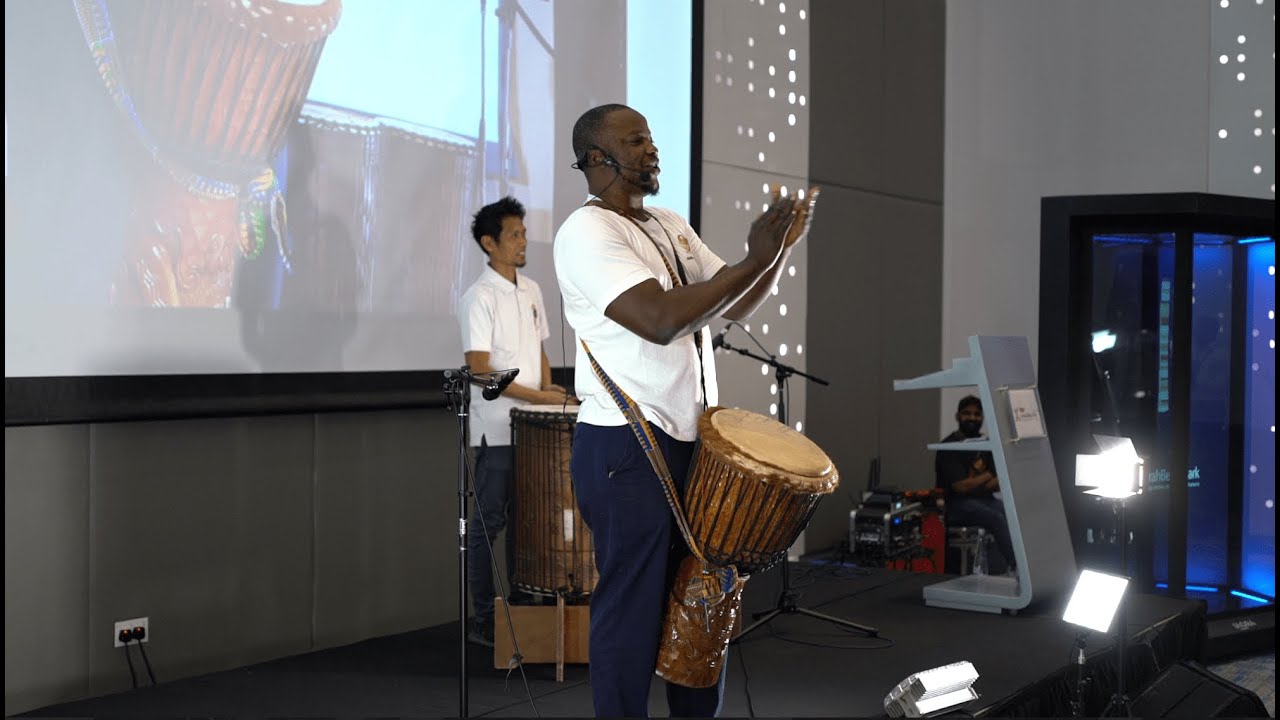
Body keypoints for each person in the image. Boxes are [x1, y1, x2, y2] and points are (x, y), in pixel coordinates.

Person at [553, 103, 818, 718]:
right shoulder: (587, 233)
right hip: (625, 444)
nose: (652, 149)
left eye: (651, 137)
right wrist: (755, 257)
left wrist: (773, 253)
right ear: (598, 158)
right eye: (636, 140)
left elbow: (736, 303)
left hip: (689, 442)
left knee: (702, 600)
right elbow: (661, 319)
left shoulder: (666, 222)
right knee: (633, 609)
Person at [457, 196, 576, 646]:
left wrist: (549, 395)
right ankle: (484, 618)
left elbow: (539, 352)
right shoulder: (477, 297)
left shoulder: (532, 290)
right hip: (497, 427)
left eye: (524, 233)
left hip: (535, 429)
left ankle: (526, 612)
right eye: (514, 235)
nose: (523, 242)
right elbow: (482, 370)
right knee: (489, 522)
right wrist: (539, 396)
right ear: (489, 243)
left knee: (532, 522)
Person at [934, 395, 1017, 573]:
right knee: (994, 517)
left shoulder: (987, 444)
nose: (972, 418)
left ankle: (1023, 564)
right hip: (954, 505)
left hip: (983, 500)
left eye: (977, 414)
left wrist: (978, 482)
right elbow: (960, 487)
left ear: (983, 417)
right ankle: (1017, 566)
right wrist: (988, 475)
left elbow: (997, 484)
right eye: (967, 413)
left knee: (1011, 511)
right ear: (958, 416)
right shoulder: (949, 446)